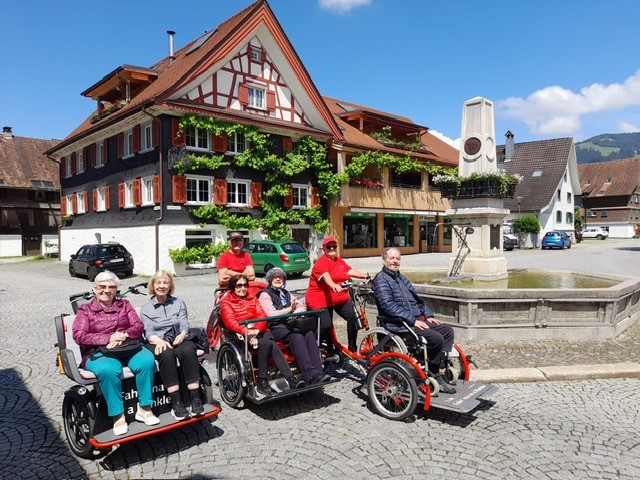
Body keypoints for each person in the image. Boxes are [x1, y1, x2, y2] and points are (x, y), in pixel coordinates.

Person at [72, 271, 159, 436]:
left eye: (111, 287)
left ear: (116, 289)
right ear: (94, 289)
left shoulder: (124, 305)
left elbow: (138, 326)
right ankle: (118, 416)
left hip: (127, 347)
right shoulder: (85, 310)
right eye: (102, 286)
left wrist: (123, 335)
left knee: (147, 360)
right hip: (98, 352)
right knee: (110, 370)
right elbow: (79, 335)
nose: (106, 290)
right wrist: (108, 337)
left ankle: (145, 408)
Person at [372, 248, 456, 394]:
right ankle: (434, 373)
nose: (395, 261)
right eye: (391, 258)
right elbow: (388, 306)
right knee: (436, 338)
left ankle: (436, 363)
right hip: (399, 324)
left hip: (416, 319)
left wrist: (428, 315)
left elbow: (417, 300)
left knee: (447, 331)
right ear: (384, 260)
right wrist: (412, 321)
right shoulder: (381, 279)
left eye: (397, 258)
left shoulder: (401, 277)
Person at [220, 274, 305, 395]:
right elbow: (230, 322)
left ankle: (289, 379)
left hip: (257, 330)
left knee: (270, 341)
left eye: (245, 285)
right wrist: (247, 333)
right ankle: (264, 380)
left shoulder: (251, 297)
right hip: (239, 333)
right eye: (239, 285)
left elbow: (262, 315)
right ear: (233, 287)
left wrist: (256, 331)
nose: (243, 288)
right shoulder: (226, 302)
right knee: (267, 343)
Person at [140, 270, 204, 420]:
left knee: (188, 350)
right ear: (153, 285)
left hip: (178, 337)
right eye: (158, 283)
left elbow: (184, 322)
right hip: (158, 340)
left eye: (165, 283)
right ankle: (176, 403)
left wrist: (183, 334)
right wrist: (160, 341)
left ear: (170, 286)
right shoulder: (146, 308)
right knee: (166, 354)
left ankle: (195, 398)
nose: (162, 286)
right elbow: (148, 332)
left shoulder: (178, 303)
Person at [258, 268, 330, 385]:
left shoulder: (286, 293)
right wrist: (288, 310)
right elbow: (270, 314)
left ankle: (319, 372)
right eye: (275, 277)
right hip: (276, 327)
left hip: (290, 324)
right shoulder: (265, 294)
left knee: (309, 334)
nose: (278, 279)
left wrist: (295, 314)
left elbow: (301, 306)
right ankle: (310, 374)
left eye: (280, 277)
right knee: (297, 337)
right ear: (270, 279)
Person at [305, 236, 369, 354]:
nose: (331, 249)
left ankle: (352, 347)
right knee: (326, 325)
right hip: (320, 299)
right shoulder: (321, 262)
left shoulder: (339, 261)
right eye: (328, 247)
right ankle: (312, 347)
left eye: (334, 246)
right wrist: (333, 284)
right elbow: (326, 276)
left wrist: (365, 276)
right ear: (323, 249)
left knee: (354, 318)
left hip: (338, 297)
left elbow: (350, 271)